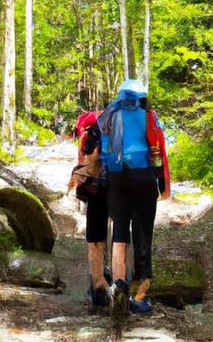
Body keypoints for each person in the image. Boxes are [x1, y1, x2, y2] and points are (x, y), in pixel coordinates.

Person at [97, 79, 171, 316]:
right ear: (141, 97)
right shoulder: (148, 115)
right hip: (142, 176)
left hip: (116, 177)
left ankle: (119, 286)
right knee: (143, 233)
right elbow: (158, 147)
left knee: (119, 231)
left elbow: (105, 152)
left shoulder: (108, 115)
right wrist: (161, 179)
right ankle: (139, 296)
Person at [67, 110, 110, 309]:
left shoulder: (88, 137)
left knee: (94, 238)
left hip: (93, 192)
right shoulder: (113, 137)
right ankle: (110, 275)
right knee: (110, 234)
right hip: (111, 189)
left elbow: (83, 165)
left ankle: (97, 281)